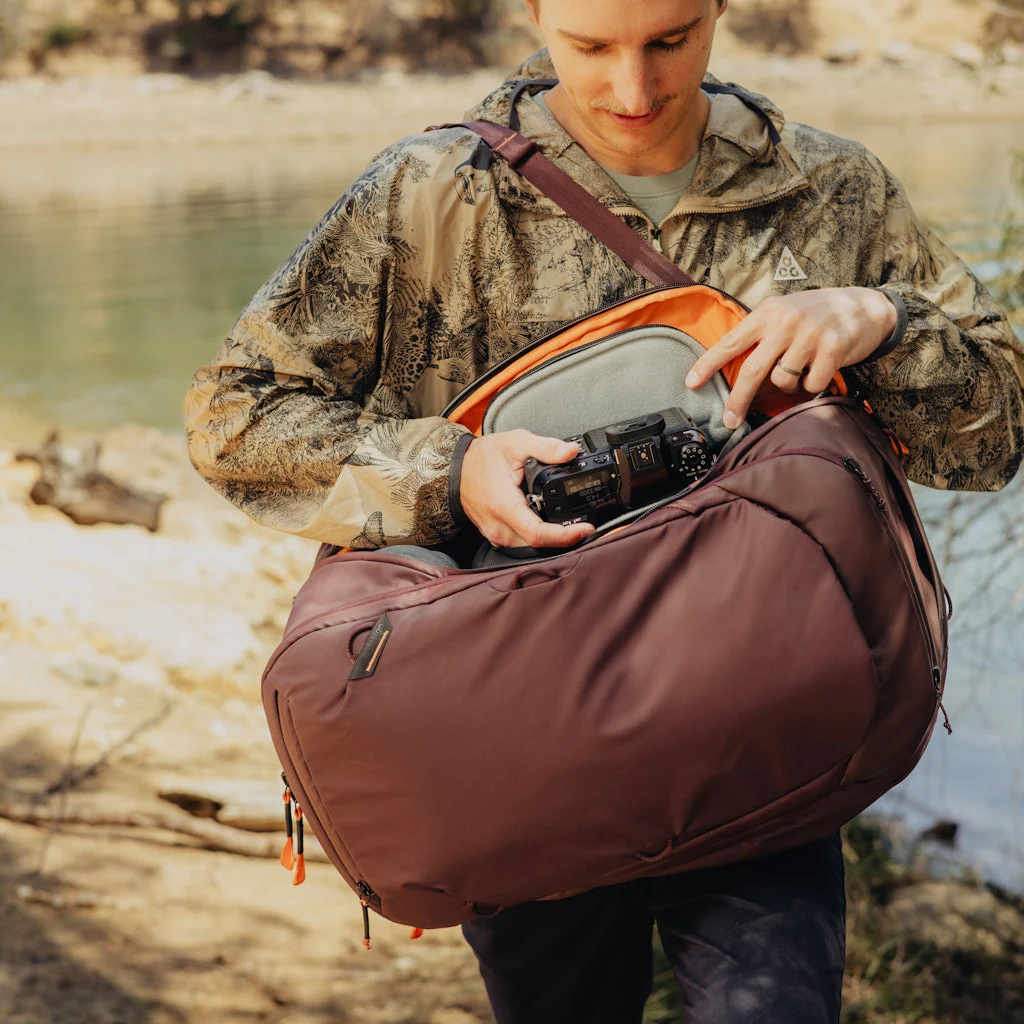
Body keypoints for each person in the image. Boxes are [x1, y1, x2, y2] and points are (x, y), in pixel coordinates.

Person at [183, 0, 1024, 1019]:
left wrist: (884, 320)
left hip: (763, 732)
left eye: (669, 41)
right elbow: (236, 417)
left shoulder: (831, 191)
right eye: (589, 47)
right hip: (520, 746)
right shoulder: (429, 198)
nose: (633, 92)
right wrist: (447, 473)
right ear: (536, 11)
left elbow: (994, 439)